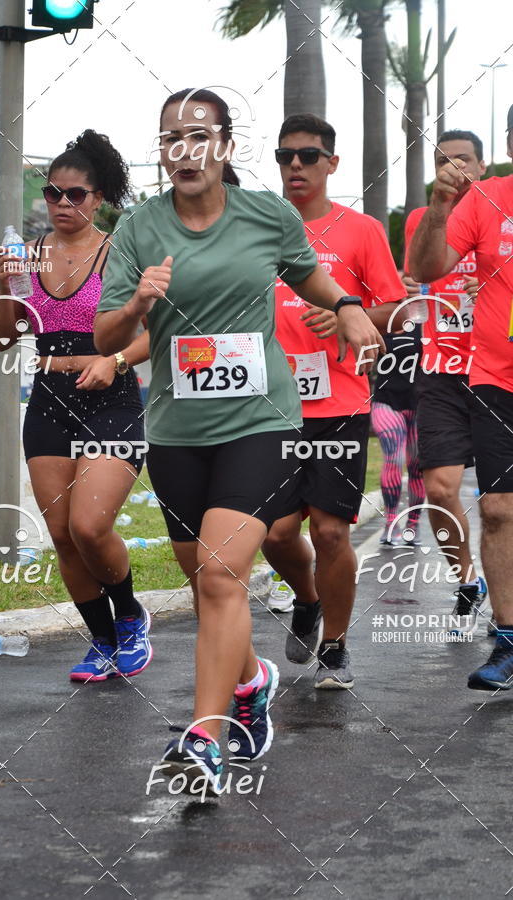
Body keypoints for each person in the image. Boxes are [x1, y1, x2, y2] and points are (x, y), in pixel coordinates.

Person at [94, 89, 384, 794]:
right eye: (171, 138)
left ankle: (205, 739)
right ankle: (251, 681)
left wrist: (347, 307)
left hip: (261, 423)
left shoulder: (266, 215)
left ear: (224, 147)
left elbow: (307, 274)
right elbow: (105, 335)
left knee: (222, 573)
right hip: (176, 430)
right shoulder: (138, 228)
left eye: (199, 136)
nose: (184, 150)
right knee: (205, 582)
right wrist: (137, 303)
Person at [0, 130, 152, 683]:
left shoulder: (119, 253)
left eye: (75, 194)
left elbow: (158, 335)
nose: (61, 203)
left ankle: (130, 617)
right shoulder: (27, 255)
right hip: (49, 400)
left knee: (89, 525)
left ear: (98, 198)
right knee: (61, 533)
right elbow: (4, 338)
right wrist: (5, 285)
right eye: (52, 193)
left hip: (111, 400)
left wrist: (115, 360)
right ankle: (101, 641)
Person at [262, 114, 406, 689]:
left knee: (329, 532)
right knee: (274, 534)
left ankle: (336, 646)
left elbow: (397, 310)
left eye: (308, 156)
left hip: (338, 402)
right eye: (285, 156)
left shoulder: (361, 230)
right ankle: (307, 598)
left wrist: (349, 313)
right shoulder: (259, 228)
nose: (295, 165)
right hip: (268, 405)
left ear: (332, 164)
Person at [409, 106, 513, 691]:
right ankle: (504, 633)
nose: (455, 169)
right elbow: (424, 269)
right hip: (485, 376)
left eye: (462, 161)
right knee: (493, 507)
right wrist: (441, 207)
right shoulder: (481, 201)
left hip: (477, 369)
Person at [403, 130, 489, 635]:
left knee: (502, 503)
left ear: (482, 167)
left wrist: (494, 286)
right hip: (441, 371)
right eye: (444, 161)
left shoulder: (501, 213)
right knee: (439, 488)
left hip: (496, 370)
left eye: (464, 160)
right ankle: (467, 581)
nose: (454, 168)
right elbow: (416, 276)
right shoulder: (423, 216)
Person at [371, 327, 425, 548]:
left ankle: (413, 523)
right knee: (394, 457)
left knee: (417, 466)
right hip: (386, 400)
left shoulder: (425, 323)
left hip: (421, 403)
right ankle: (391, 521)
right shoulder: (380, 323)